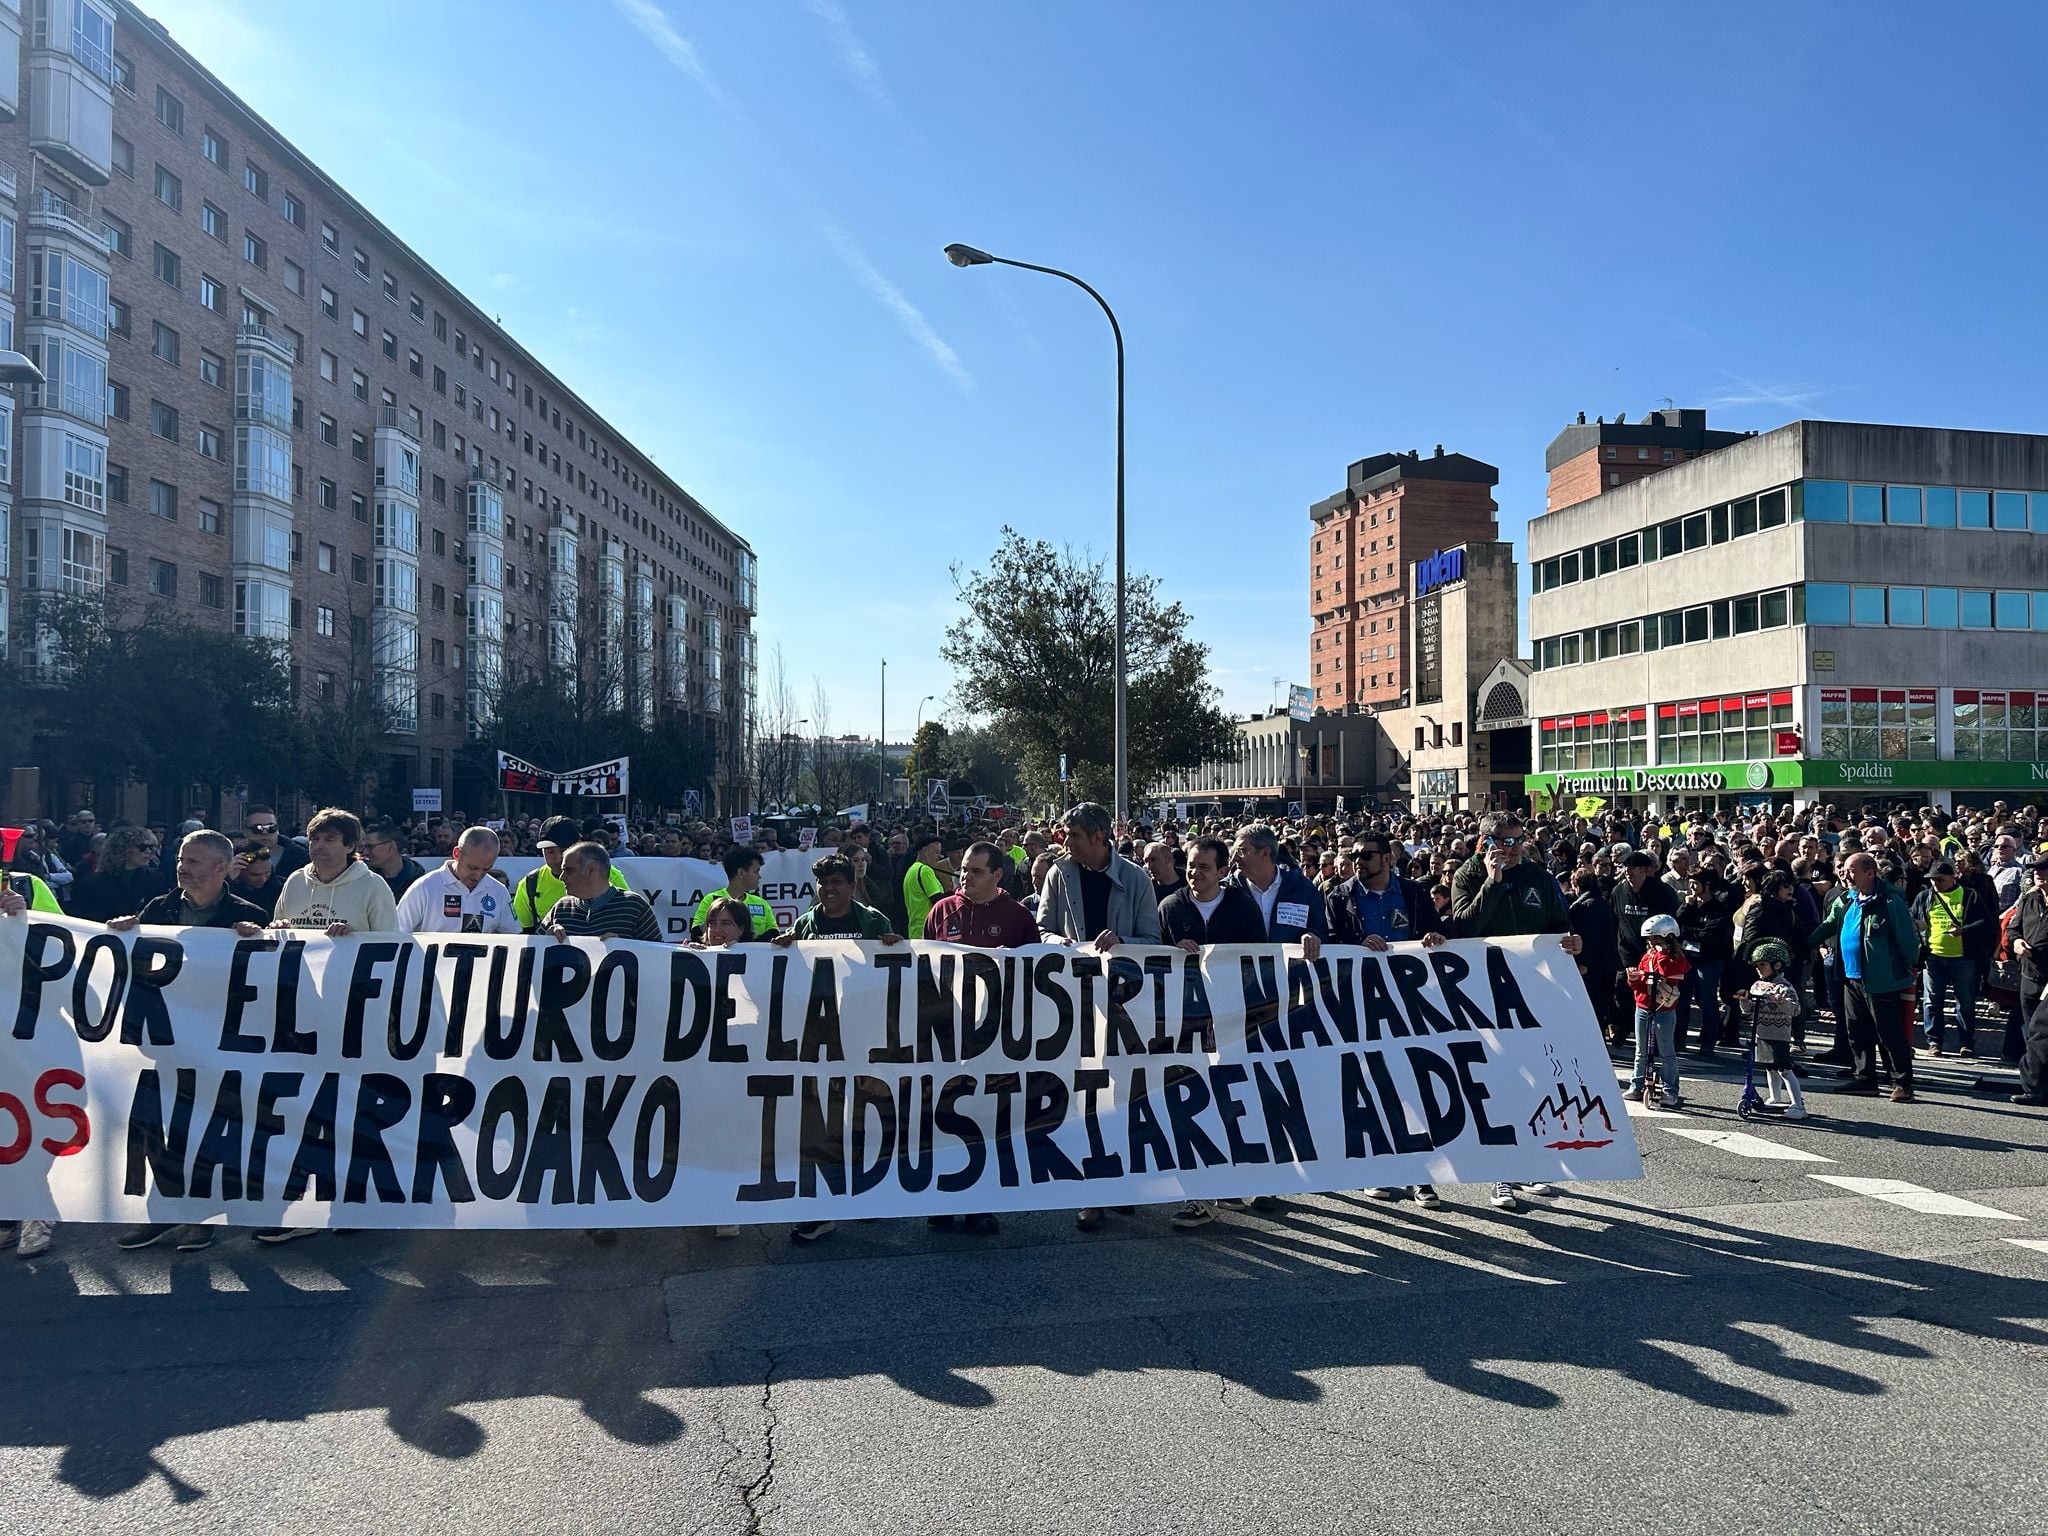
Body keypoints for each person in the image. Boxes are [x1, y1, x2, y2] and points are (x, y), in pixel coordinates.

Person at [1036, 802, 1161, 1234]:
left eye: (1072, 836)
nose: (1064, 844)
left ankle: (1123, 1182)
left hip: (1124, 1005)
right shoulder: (1058, 874)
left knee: (1123, 1094)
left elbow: (1152, 939)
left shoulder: (1135, 878)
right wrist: (1062, 941)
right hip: (1073, 1002)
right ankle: (1090, 1191)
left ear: (1097, 838)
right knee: (1082, 1096)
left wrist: (1122, 941)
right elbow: (1041, 930)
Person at [1449, 820, 1581, 1211]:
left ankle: (1528, 1162)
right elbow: (1461, 926)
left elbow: (1558, 923)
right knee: (1497, 1080)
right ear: (1485, 841)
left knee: (1533, 1077)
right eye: (1504, 841)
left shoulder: (1536, 875)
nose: (1512, 848)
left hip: (1530, 993)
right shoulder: (1467, 875)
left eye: (1517, 841)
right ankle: (1500, 1174)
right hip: (1482, 995)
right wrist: (1492, 882)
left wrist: (1572, 939)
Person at [915, 841, 1035, 1238]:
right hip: (946, 1039)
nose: (965, 877)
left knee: (988, 1120)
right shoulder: (941, 911)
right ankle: (943, 1199)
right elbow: (923, 968)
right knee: (943, 1118)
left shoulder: (1017, 917)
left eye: (976, 871)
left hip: (995, 1039)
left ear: (998, 876)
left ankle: (983, 1203)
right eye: (963, 869)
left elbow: (1035, 973)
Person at [1812, 851, 1919, 1103]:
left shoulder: (1890, 901)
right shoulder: (1847, 899)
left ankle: (1902, 1082)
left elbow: (1907, 941)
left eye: (1852, 870)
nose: (1845, 875)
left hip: (1882, 979)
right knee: (1857, 1029)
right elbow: (1829, 925)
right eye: (1844, 870)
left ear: (1870, 873)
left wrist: (1906, 967)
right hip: (1851, 977)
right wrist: (1803, 943)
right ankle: (1864, 1078)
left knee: (1888, 1032)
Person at [271, 809, 399, 936]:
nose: (319, 845)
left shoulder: (373, 886)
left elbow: (389, 941)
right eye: (314, 839)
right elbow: (275, 940)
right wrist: (278, 928)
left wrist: (353, 938)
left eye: (329, 839)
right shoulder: (295, 881)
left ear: (350, 847)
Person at [1912, 861, 1991, 1056]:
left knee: (1965, 1002)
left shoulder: (1969, 896)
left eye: (1939, 880)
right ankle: (1934, 1041)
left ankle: (1966, 1042)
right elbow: (1910, 918)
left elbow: (1986, 921)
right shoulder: (1925, 897)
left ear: (1952, 878)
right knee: (1932, 1001)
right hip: (1933, 956)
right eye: (1932, 880)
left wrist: (1963, 930)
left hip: (1963, 957)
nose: (1935, 884)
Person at [513, 816, 631, 932]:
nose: (559, 858)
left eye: (565, 850)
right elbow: (523, 936)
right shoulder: (529, 884)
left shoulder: (608, 874)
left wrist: (619, 937)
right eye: (550, 852)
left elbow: (631, 918)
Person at [1225, 824, 1326, 959]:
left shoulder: (1303, 889)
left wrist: (1312, 935)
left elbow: (1321, 930)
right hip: (1241, 975)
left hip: (1287, 977)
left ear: (1265, 853)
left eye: (1242, 851)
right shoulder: (1226, 890)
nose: (1235, 859)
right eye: (1235, 853)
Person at [396, 826, 522, 934]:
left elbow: (514, 936)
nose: (477, 876)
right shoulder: (425, 887)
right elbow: (397, 933)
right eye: (473, 867)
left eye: (485, 869)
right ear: (456, 854)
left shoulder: (499, 892)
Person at [1736, 940, 1806, 1119]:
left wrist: (1778, 1000)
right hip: (1761, 1033)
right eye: (1757, 965)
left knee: (1784, 1069)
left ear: (1777, 964)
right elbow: (1749, 1011)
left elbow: (1795, 1010)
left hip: (1779, 1034)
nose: (1759, 969)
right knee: (1770, 1068)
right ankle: (1775, 1098)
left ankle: (1798, 1105)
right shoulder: (1757, 986)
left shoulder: (1784, 988)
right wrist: (1744, 1001)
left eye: (1762, 964)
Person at [1626, 914, 1690, 1108]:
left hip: (1664, 1009)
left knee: (1666, 1051)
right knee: (1641, 1050)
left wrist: (1661, 955)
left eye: (1656, 938)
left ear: (1668, 937)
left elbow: (1668, 974)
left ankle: (1670, 1089)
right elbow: (1639, 986)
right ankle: (1637, 1085)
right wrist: (1634, 978)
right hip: (1643, 1006)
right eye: (1650, 939)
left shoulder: (1675, 958)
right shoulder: (1648, 956)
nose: (1652, 943)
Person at [1159, 836, 1267, 947]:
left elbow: (1260, 953)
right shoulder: (1170, 907)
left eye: (1204, 867)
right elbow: (1156, 952)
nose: (1195, 872)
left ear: (1222, 872)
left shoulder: (1245, 908)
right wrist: (1174, 950)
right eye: (1191, 865)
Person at [549, 843, 664, 944]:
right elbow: (533, 952)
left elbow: (660, 956)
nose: (561, 877)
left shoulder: (634, 906)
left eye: (568, 870)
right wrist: (547, 937)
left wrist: (625, 949)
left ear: (592, 870)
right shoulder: (561, 907)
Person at [774, 853, 903, 941]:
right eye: (823, 882)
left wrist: (895, 946)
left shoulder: (876, 921)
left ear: (851, 887)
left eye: (836, 882)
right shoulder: (802, 925)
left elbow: (890, 967)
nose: (829, 888)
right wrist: (783, 945)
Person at [2004, 858, 2048, 1106]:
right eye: (2037, 870)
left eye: (2044, 870)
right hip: (2029, 974)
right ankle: (2042, 1085)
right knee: (2032, 1030)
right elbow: (2013, 929)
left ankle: (2033, 1087)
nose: (2039, 874)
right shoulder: (2030, 899)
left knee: (2042, 1031)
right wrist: (2017, 942)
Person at [68, 825, 168, 922]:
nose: (148, 851)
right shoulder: (92, 883)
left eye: (151, 847)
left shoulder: (155, 878)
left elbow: (161, 914)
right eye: (142, 847)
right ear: (123, 849)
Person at [689, 845, 778, 939]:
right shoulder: (711, 899)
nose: (759, 877)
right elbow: (696, 934)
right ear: (741, 873)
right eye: (756, 872)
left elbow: (774, 933)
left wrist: (746, 946)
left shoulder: (761, 903)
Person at [360, 819, 428, 901]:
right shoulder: (362, 878)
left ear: (391, 846)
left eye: (370, 847)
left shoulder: (422, 882)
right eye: (364, 847)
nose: (365, 852)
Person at [901, 833, 950, 944]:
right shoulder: (925, 870)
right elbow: (938, 901)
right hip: (927, 932)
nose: (940, 856)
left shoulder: (912, 870)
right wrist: (957, 893)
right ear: (925, 851)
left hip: (916, 931)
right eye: (936, 852)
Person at [241, 805, 308, 881]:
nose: (265, 833)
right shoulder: (233, 857)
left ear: (277, 829)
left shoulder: (302, 857)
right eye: (258, 828)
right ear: (244, 830)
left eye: (271, 828)